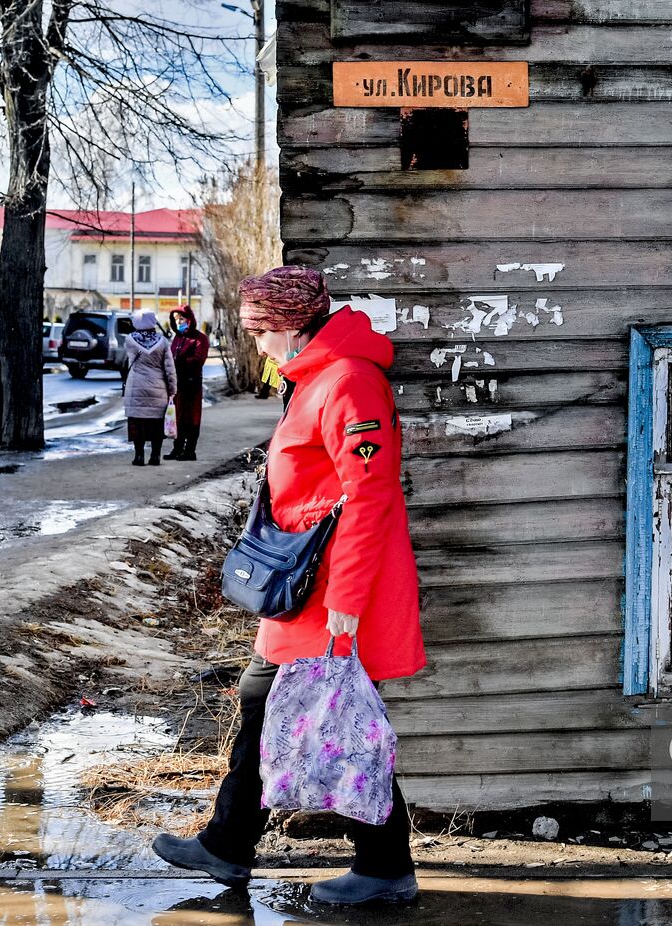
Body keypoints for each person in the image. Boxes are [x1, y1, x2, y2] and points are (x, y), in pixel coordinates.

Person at [151, 266, 426, 905]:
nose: (258, 345)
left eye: (261, 330)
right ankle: (227, 845)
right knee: (264, 704)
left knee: (340, 720)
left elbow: (369, 499)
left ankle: (384, 867)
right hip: (303, 589)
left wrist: (347, 605)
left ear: (292, 324)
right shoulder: (316, 379)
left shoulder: (350, 383)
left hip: (333, 594)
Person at [123, 311, 177, 466]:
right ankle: (155, 456)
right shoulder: (163, 342)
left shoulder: (129, 340)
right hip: (157, 388)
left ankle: (139, 456)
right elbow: (170, 369)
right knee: (156, 424)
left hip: (136, 387)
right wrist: (172, 389)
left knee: (137, 422)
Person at [166, 305, 209, 461]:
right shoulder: (178, 338)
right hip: (177, 384)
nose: (178, 322)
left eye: (181, 319)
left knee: (191, 418)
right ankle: (177, 449)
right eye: (176, 319)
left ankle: (190, 450)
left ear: (189, 319)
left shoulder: (200, 338)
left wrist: (179, 362)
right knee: (178, 417)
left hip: (191, 384)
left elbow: (198, 360)